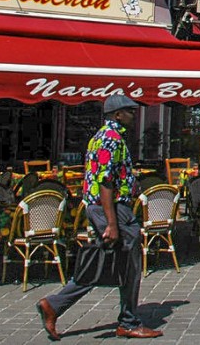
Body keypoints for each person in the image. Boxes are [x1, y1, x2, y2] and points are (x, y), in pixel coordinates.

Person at [36, 94, 163, 340]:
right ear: (117, 115)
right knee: (128, 264)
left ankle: (55, 305)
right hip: (113, 208)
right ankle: (127, 321)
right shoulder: (111, 140)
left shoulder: (101, 137)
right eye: (130, 111)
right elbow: (105, 181)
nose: (133, 115)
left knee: (109, 261)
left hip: (107, 208)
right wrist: (113, 223)